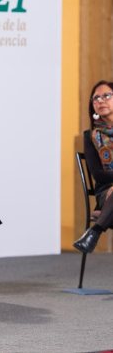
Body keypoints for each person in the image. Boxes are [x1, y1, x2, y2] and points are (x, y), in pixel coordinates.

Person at [74, 80, 113, 254]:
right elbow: (98, 175)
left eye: (106, 96)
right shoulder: (90, 136)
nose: (100, 101)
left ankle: (94, 232)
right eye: (96, 98)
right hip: (106, 192)